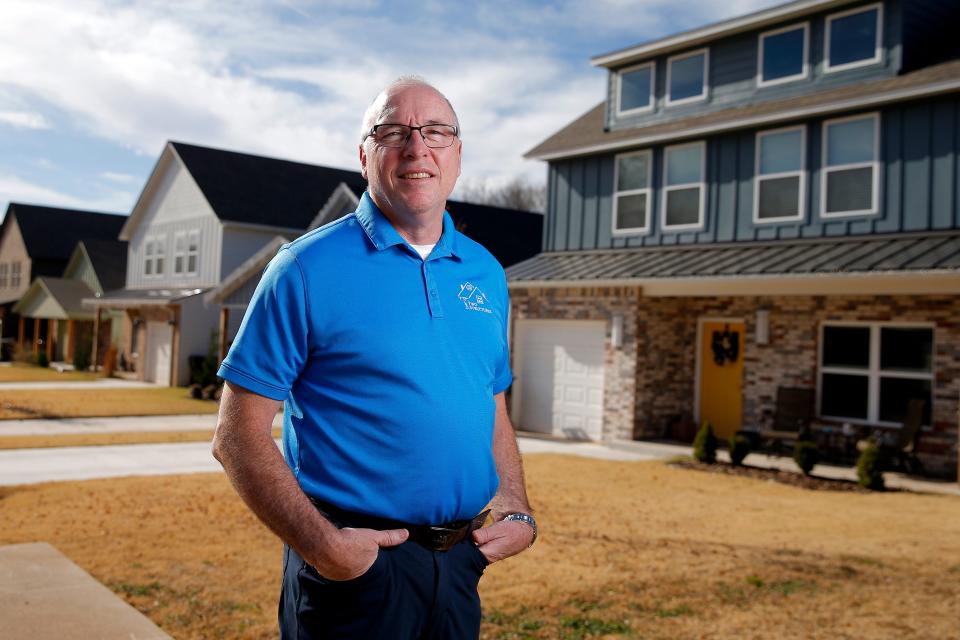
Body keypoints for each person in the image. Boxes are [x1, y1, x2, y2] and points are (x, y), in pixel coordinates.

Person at [212, 76, 536, 640]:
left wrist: (516, 504)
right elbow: (235, 436)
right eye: (393, 132)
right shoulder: (305, 269)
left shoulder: (485, 271)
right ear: (364, 155)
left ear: (456, 154)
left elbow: (491, 399)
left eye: (437, 132)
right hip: (356, 572)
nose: (418, 148)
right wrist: (326, 548)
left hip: (460, 563)